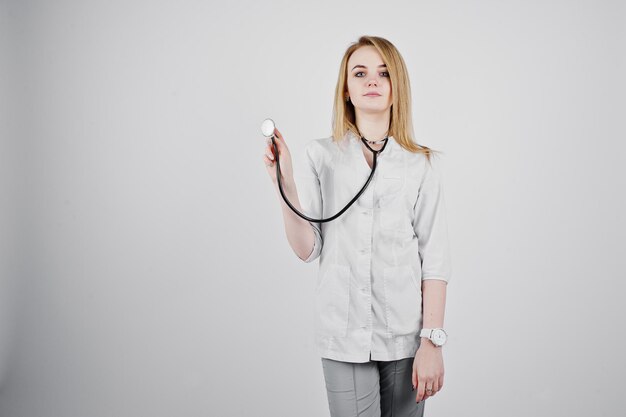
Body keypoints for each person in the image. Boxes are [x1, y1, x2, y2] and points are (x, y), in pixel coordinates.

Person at [262, 35, 452, 417]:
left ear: (397, 88)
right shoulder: (322, 155)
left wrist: (431, 343)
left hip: (405, 339)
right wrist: (284, 182)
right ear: (346, 90)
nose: (372, 81)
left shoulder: (420, 164)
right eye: (360, 73)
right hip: (343, 334)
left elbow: (435, 260)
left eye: (384, 73)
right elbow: (306, 248)